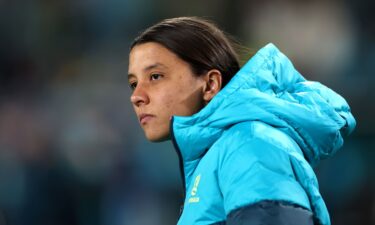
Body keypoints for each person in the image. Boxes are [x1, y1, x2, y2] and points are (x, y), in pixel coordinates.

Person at [127, 17, 356, 225]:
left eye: (155, 76)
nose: (137, 96)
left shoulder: (248, 143)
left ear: (210, 85)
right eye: (133, 83)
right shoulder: (226, 151)